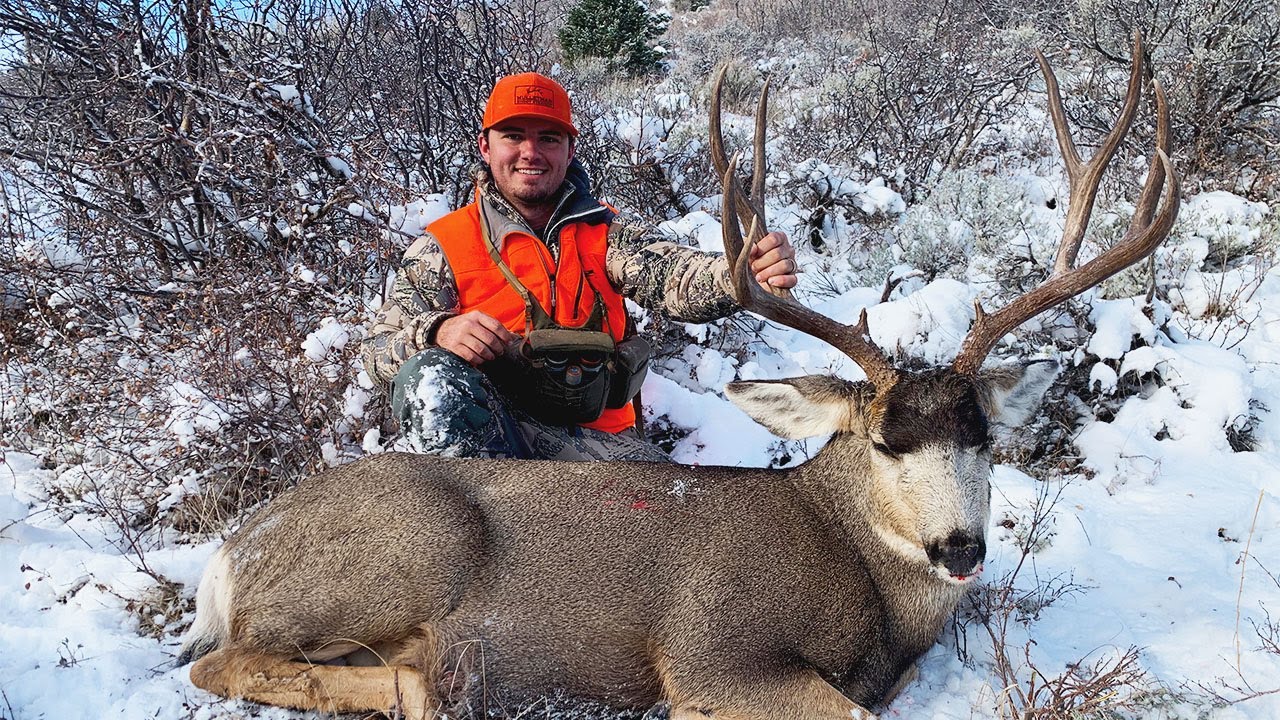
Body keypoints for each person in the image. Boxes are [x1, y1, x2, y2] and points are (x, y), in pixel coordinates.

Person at [362, 72, 797, 461]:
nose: (530, 152)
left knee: (675, 528)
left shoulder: (604, 233)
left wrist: (744, 270)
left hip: (600, 446)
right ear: (485, 146)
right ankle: (484, 536)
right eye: (513, 135)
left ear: (570, 150)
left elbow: (673, 275)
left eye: (549, 138)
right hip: (500, 447)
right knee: (431, 378)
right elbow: (378, 351)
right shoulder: (443, 246)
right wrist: (436, 332)